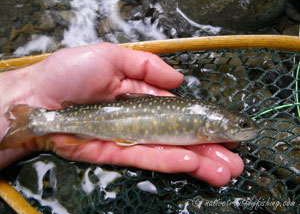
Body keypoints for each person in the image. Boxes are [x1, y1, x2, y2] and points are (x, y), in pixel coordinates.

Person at [0, 42, 243, 187]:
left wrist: (23, 91)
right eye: (240, 125)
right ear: (216, 121)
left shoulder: (202, 120)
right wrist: (30, 91)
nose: (242, 128)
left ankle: (26, 115)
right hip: (82, 117)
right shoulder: (202, 123)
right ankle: (33, 119)